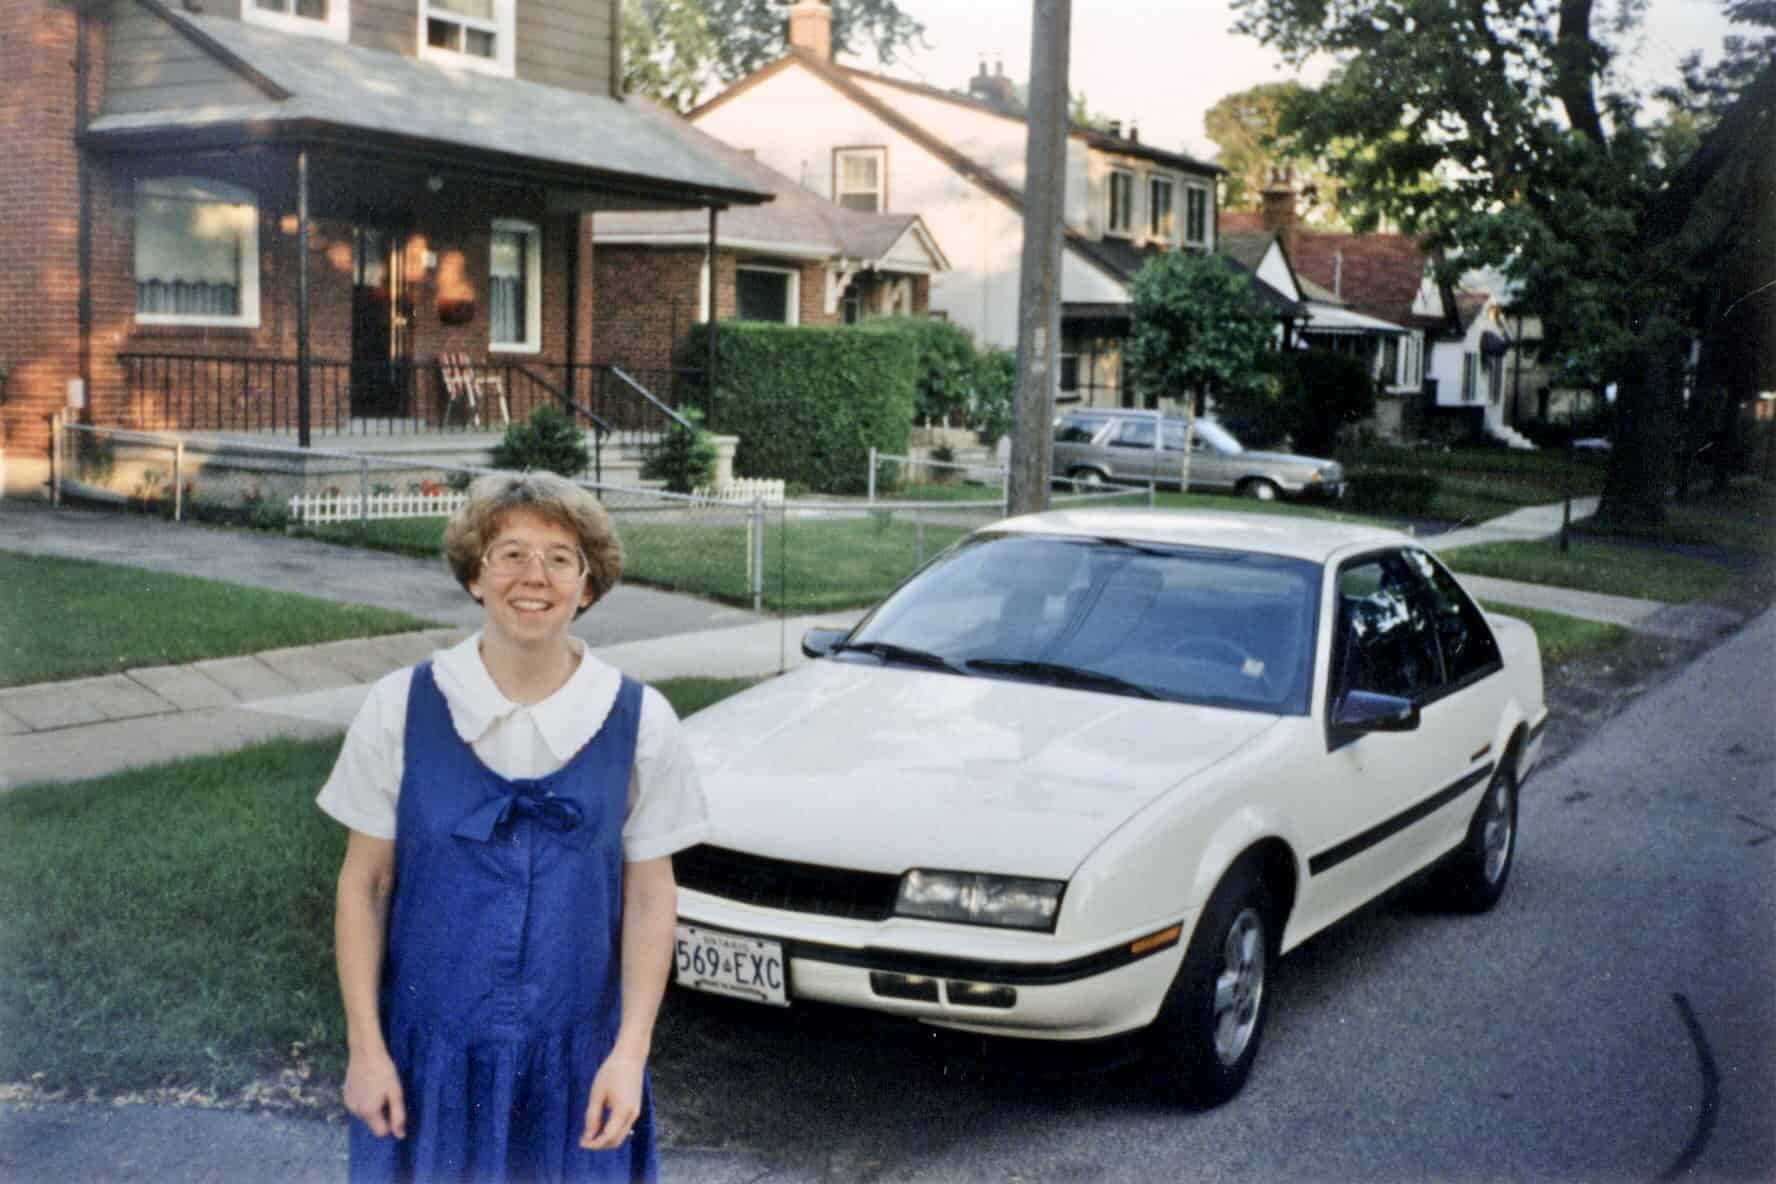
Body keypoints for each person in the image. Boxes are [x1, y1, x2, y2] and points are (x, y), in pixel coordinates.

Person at [317, 472, 707, 1183]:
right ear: (475, 576)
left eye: (561, 558)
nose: (535, 576)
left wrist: (630, 1053)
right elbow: (364, 885)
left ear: (587, 586)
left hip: (578, 1066)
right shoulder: (399, 707)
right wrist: (365, 1049)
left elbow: (652, 899)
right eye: (511, 554)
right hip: (428, 1062)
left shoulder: (640, 720)